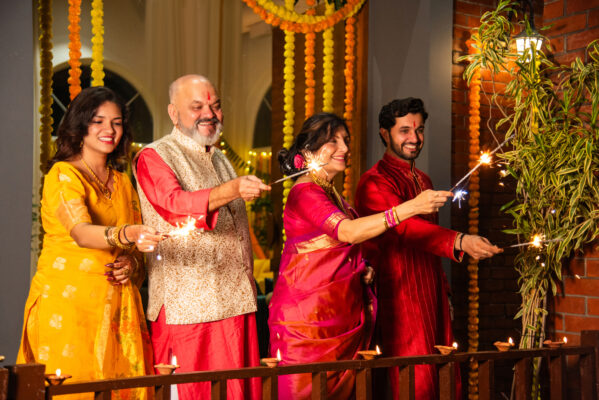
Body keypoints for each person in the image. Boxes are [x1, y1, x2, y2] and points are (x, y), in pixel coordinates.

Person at [268, 112, 453, 400]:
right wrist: (410, 207)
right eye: (332, 141)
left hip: (340, 317)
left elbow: (337, 247)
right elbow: (349, 233)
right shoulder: (304, 192)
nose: (344, 148)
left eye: (345, 140)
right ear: (308, 149)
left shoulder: (332, 194)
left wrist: (361, 267)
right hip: (307, 324)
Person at [17, 86, 163, 399]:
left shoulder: (123, 181)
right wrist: (128, 234)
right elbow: (82, 232)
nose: (109, 130)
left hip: (117, 309)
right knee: (74, 390)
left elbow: (135, 248)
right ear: (79, 126)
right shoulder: (63, 175)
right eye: (98, 121)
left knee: (123, 388)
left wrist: (131, 263)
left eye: (117, 122)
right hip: (69, 307)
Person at [354, 97, 503, 400]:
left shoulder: (423, 180)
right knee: (412, 379)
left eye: (419, 130)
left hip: (431, 290)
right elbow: (406, 229)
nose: (414, 138)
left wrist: (444, 290)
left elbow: (428, 243)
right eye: (404, 130)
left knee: (440, 372)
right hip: (398, 293)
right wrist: (460, 241)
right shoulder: (372, 183)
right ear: (385, 134)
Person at [133, 74, 270, 400]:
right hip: (188, 312)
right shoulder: (156, 156)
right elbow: (175, 206)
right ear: (173, 112)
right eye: (196, 106)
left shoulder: (221, 159)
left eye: (215, 105)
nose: (209, 113)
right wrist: (233, 189)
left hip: (237, 306)